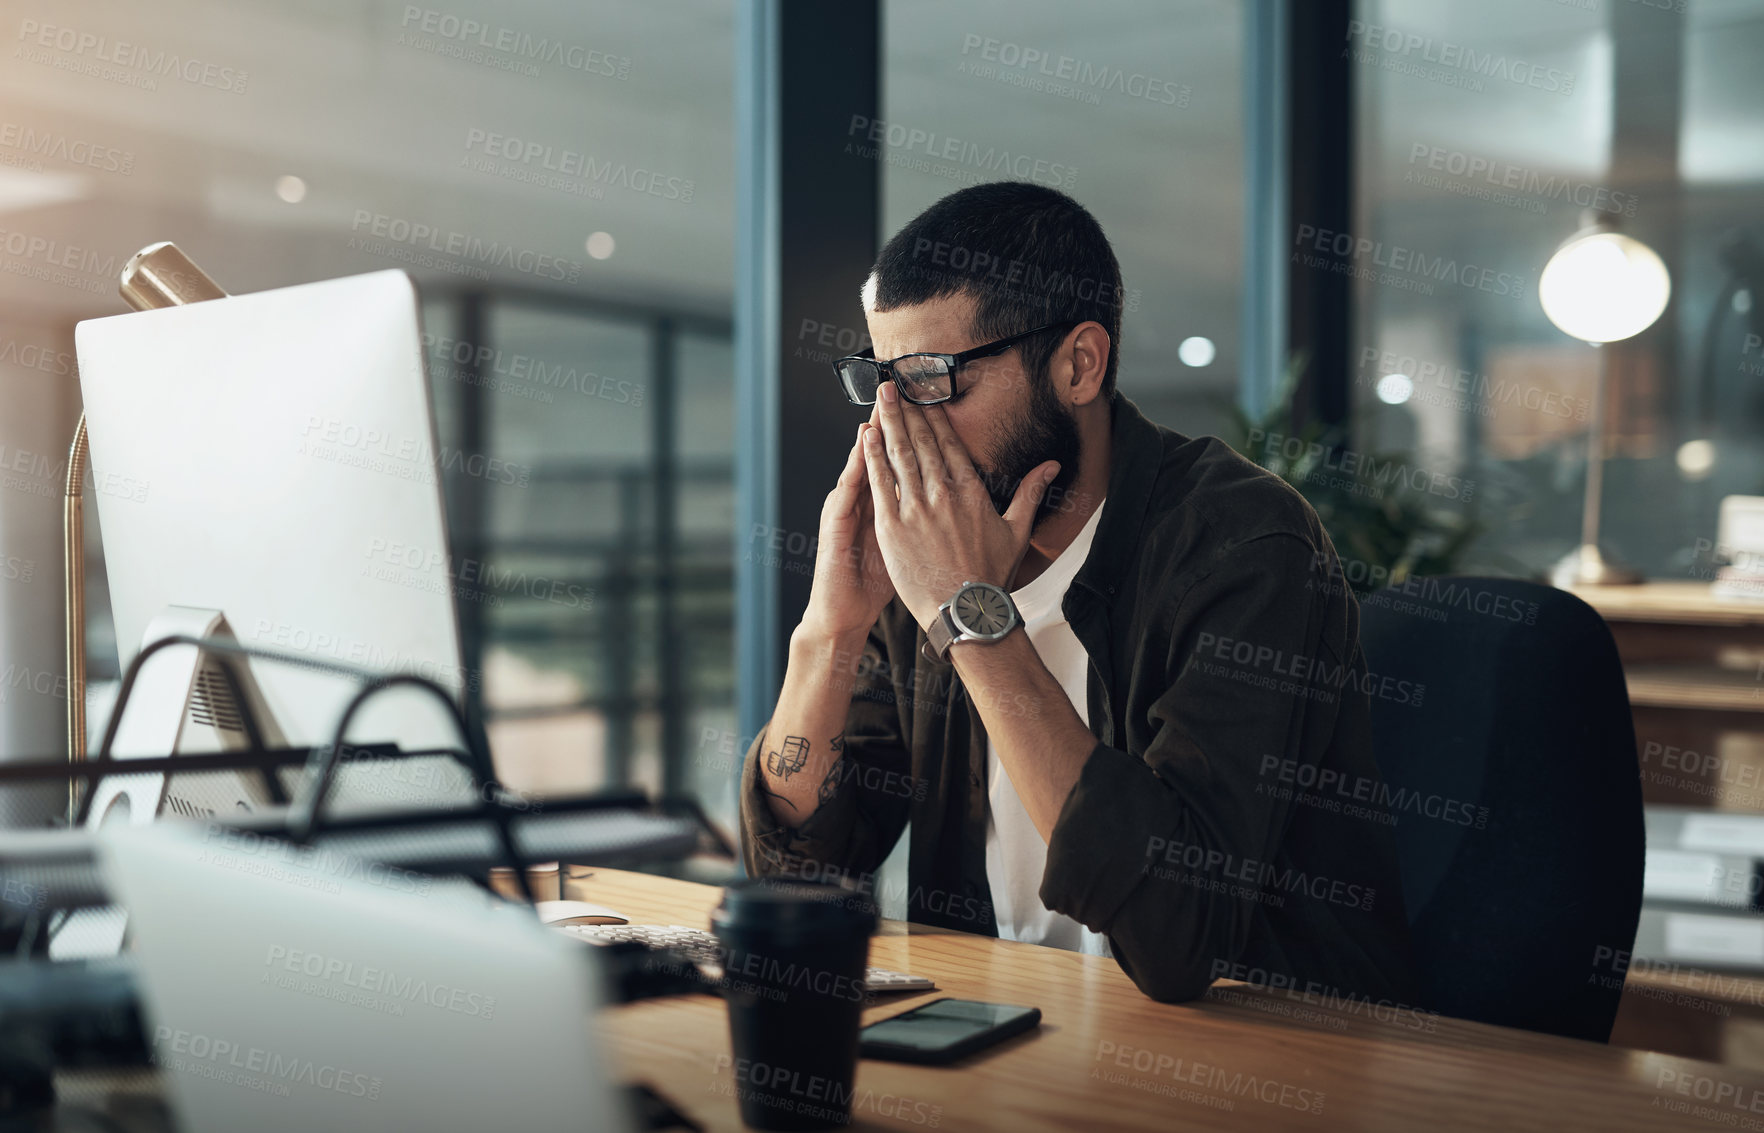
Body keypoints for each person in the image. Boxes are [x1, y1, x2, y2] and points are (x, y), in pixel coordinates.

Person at [738, 180, 1415, 1005]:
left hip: (1265, 1060)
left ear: (1078, 364)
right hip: (1008, 1032)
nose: (900, 425)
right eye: (881, 380)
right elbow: (797, 872)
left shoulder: (1243, 545)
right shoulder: (922, 557)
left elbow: (1181, 931)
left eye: (930, 379)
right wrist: (830, 633)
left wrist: (969, 613)